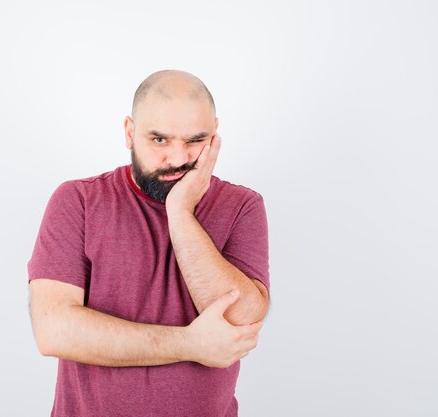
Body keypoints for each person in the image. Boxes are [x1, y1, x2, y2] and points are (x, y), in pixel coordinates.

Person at [27, 69, 270, 417]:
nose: (176, 158)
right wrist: (190, 344)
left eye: (194, 141)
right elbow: (55, 330)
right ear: (130, 132)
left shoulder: (242, 205)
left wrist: (181, 212)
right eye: (160, 140)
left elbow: (238, 321)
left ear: (214, 136)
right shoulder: (77, 200)